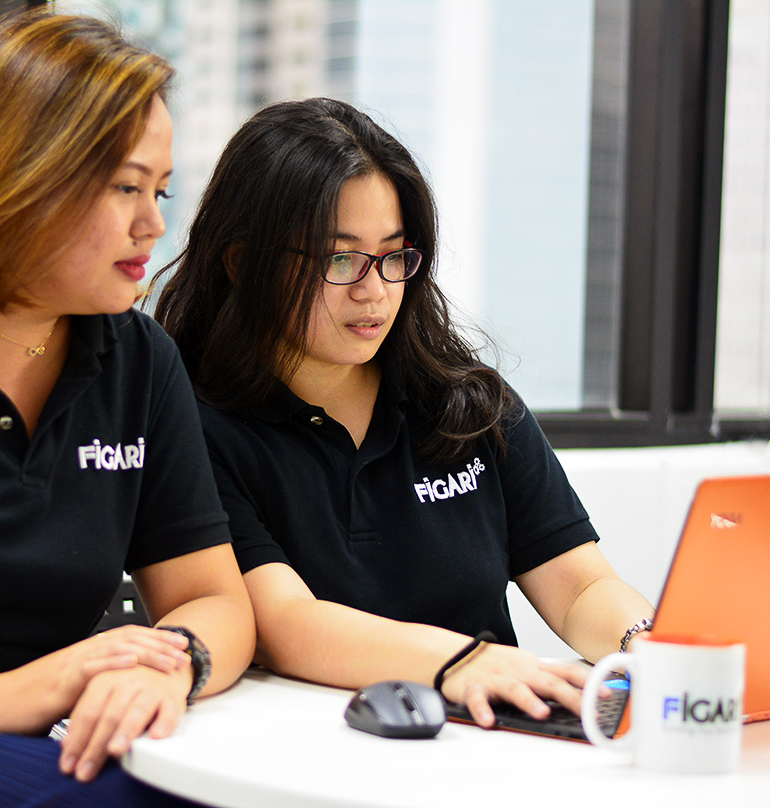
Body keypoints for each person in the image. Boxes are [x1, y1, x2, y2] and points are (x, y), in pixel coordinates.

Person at [155, 97, 653, 728]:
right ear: (243, 263)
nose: (375, 290)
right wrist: (464, 662)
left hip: (495, 738)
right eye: (340, 260)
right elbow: (285, 623)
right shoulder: (195, 427)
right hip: (307, 750)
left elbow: (581, 587)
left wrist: (646, 644)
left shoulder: (468, 406)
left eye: (394, 257)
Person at [0, 10, 254, 806]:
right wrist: (42, 686)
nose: (154, 223)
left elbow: (214, 599)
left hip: (54, 737)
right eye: (127, 187)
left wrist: (171, 663)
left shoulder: (136, 359)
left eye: (160, 190)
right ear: (25, 174)